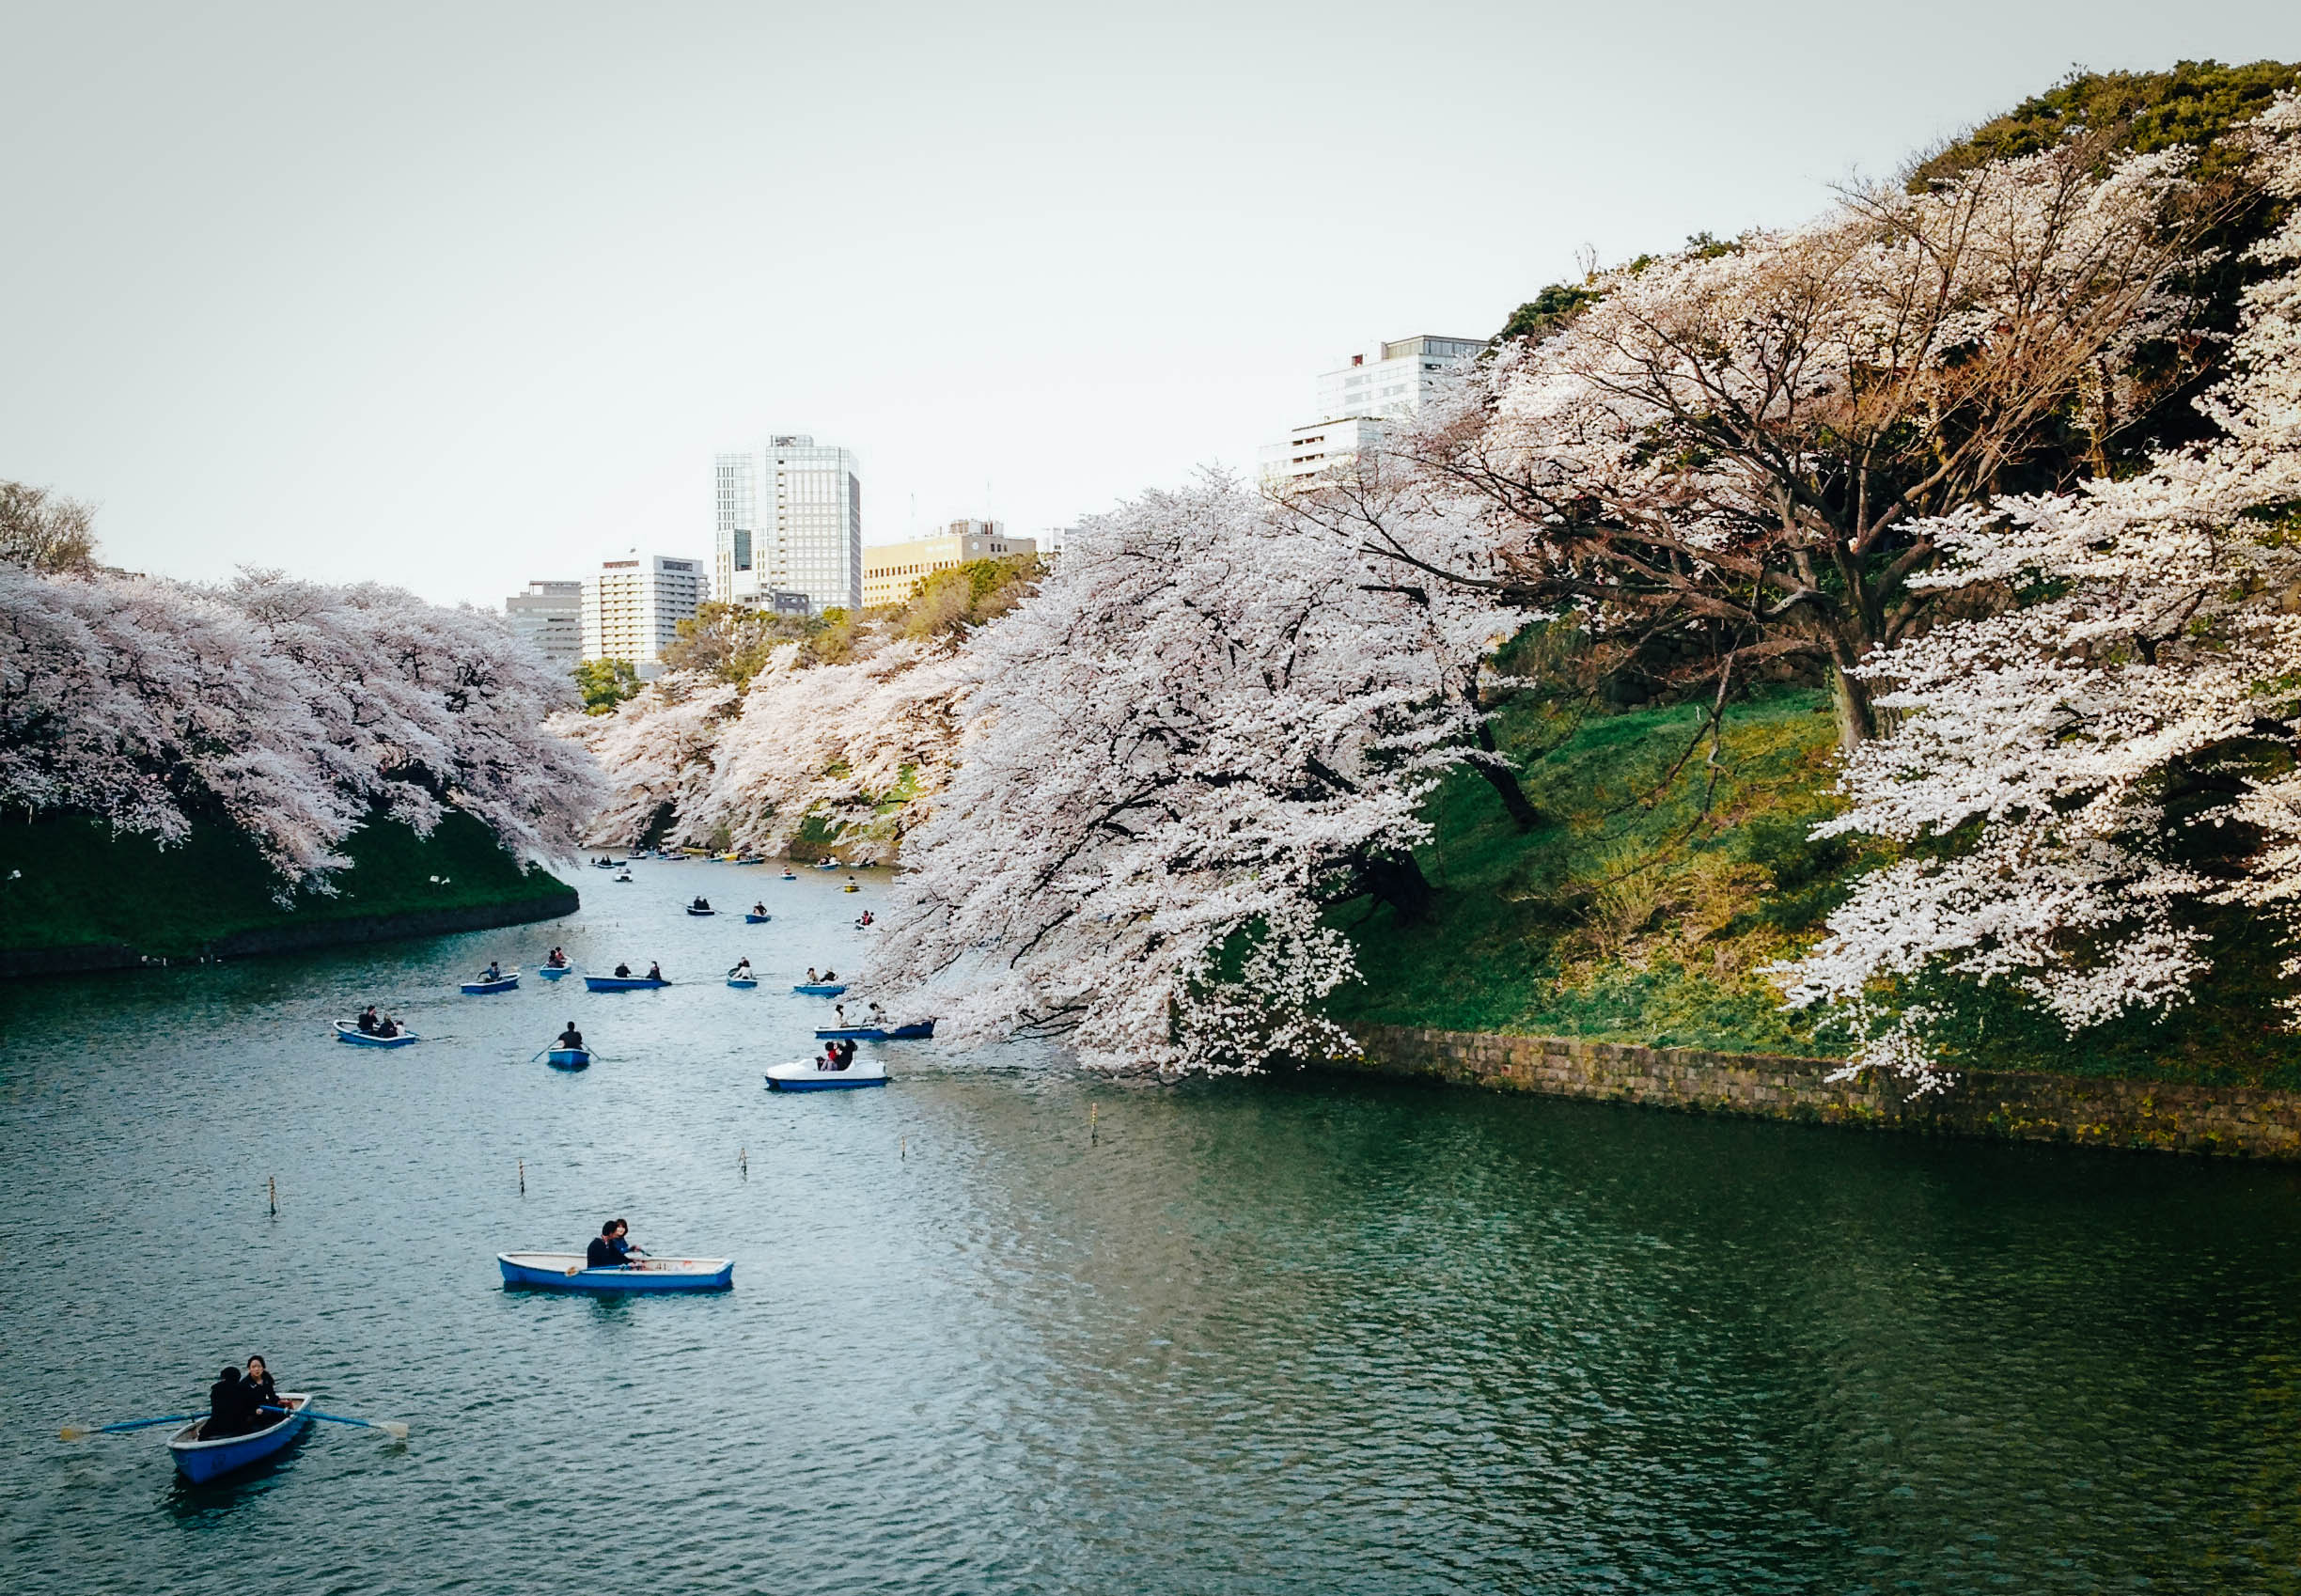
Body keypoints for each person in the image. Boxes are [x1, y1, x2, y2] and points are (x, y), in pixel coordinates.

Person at [205, 1364, 258, 1439]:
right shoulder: (243, 1390)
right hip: (237, 1427)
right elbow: (253, 1408)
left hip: (216, 1426)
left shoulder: (215, 1391)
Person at [243, 1354, 280, 1418]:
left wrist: (278, 1401)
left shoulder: (266, 1379)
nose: (256, 1369)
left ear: (263, 1368)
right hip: (251, 1410)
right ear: (249, 1369)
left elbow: (271, 1396)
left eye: (259, 1366)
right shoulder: (244, 1383)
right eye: (253, 1367)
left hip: (264, 1406)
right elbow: (242, 1404)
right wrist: (254, 1411)